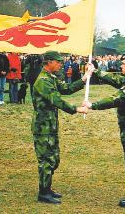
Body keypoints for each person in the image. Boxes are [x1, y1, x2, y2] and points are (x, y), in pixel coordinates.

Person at [84, 52, 125, 208]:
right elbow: (115, 80)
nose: (121, 66)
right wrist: (96, 71)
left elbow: (117, 99)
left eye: (123, 63)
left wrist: (93, 105)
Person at [32, 51, 89, 204]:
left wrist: (84, 78)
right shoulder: (43, 81)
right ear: (49, 62)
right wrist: (76, 109)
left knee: (54, 158)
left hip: (50, 124)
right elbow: (57, 100)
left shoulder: (51, 78)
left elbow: (66, 89)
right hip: (43, 126)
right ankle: (43, 193)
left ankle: (47, 188)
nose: (60, 64)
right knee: (46, 159)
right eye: (57, 62)